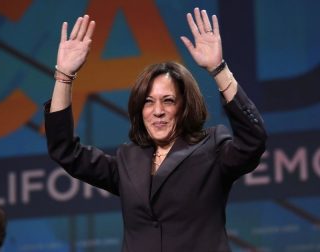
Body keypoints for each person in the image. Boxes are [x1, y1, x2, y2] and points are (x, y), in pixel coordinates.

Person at [44, 7, 267, 252]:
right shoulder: (129, 159)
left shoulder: (212, 147)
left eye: (168, 100)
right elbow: (64, 150)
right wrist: (63, 76)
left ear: (184, 106)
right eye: (148, 102)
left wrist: (219, 70)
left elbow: (253, 139)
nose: (157, 111)